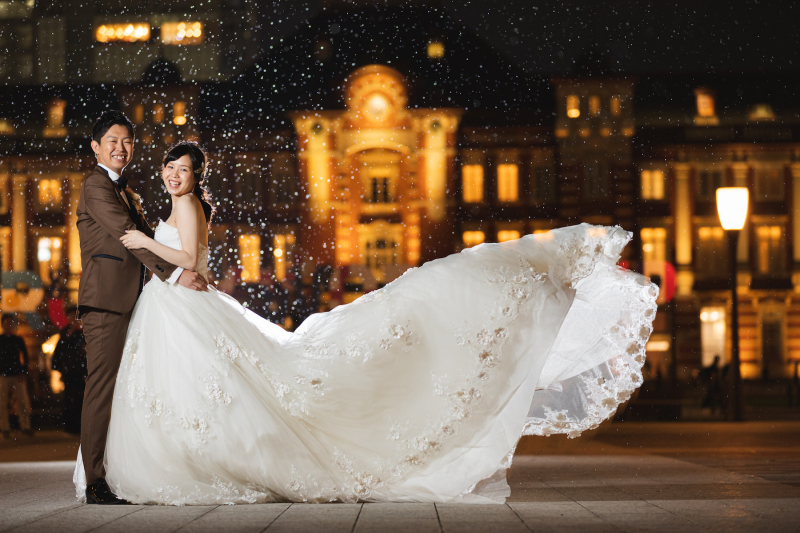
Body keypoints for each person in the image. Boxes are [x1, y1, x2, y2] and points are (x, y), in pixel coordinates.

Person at [73, 141, 658, 505]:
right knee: (200, 387)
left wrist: (148, 241)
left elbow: (192, 260)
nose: (172, 174)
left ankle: (191, 462)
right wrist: (157, 249)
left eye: (181, 168)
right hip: (176, 304)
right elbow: (186, 262)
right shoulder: (163, 199)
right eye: (169, 167)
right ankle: (175, 460)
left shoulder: (181, 206)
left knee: (215, 386)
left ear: (196, 177)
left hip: (182, 299)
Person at [76, 111, 209, 505]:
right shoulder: (96, 186)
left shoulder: (126, 190)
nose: (120, 148)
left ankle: (118, 471)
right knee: (101, 388)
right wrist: (174, 274)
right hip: (105, 303)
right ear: (96, 146)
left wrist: (180, 265)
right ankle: (95, 480)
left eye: (127, 142)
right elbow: (127, 237)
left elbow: (150, 238)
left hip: (133, 301)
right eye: (112, 141)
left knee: (127, 390)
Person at [51, 308, 87, 435]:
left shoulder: (84, 332)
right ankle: (69, 425)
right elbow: (60, 351)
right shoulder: (65, 333)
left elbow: (85, 352)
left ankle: (79, 425)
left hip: (80, 371)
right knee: (69, 398)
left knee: (80, 398)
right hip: (69, 371)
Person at [0, 314, 33, 439]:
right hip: (3, 375)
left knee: (23, 402)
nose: (8, 325)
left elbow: (25, 356)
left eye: (10, 323)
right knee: (2, 404)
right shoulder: (1, 339)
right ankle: (5, 428)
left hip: (17, 374)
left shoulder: (18, 339)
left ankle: (25, 426)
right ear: (3, 324)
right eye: (6, 323)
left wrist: (23, 372)